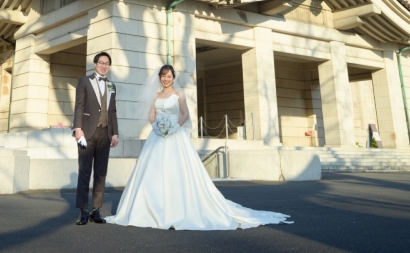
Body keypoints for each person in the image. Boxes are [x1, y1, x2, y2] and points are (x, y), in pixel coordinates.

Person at [105, 65, 292, 230]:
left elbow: (185, 114)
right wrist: (156, 126)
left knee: (178, 171)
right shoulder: (156, 95)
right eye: (163, 75)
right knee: (152, 171)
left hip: (175, 135)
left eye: (169, 76)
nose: (166, 78)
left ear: (173, 77)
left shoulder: (179, 95)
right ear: (160, 77)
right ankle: (148, 209)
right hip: (157, 135)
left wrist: (175, 126)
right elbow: (151, 115)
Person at [72, 51, 119, 225]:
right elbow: (79, 105)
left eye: (107, 63)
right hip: (86, 133)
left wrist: (115, 132)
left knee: (101, 173)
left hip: (105, 134)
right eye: (101, 62)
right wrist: (77, 129)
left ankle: (95, 210)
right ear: (95, 63)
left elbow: (112, 111)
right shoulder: (84, 81)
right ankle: (83, 211)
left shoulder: (112, 85)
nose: (104, 65)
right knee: (85, 172)